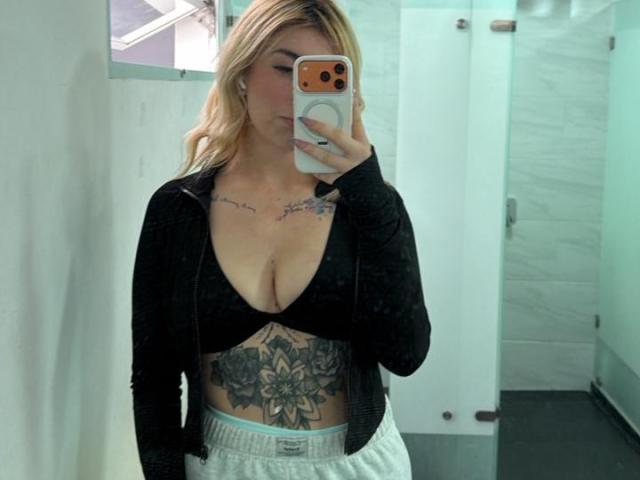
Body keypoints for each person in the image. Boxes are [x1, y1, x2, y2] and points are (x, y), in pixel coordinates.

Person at [130, 0, 431, 478]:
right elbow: (154, 378)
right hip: (222, 463)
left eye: (324, 77)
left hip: (358, 465)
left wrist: (371, 196)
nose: (300, 94)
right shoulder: (178, 209)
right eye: (286, 69)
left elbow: (406, 355)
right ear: (241, 74)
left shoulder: (368, 207)